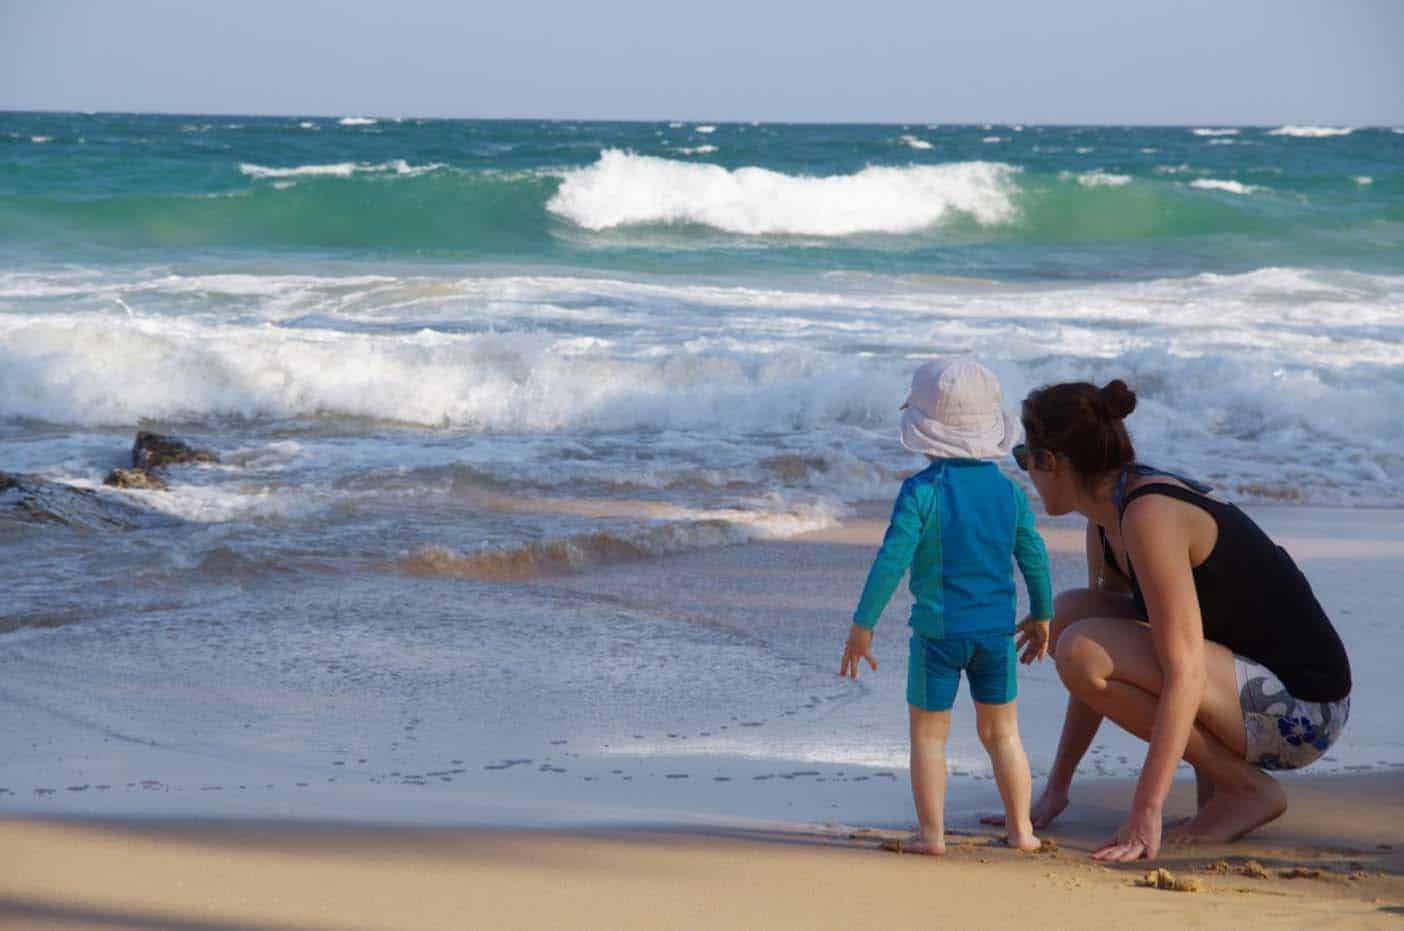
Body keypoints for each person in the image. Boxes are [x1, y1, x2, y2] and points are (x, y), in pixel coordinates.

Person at [998, 379, 1351, 862]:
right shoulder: (1106, 517)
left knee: (1079, 647)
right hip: (1240, 682)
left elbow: (1178, 665)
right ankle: (1229, 784)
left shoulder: (1149, 514)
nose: (1027, 474)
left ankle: (1246, 790)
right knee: (1069, 620)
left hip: (1306, 711)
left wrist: (1147, 810)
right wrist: (1057, 789)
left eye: (1024, 458)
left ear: (1050, 462)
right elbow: (1098, 661)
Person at [840, 357, 1054, 856]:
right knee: (1003, 733)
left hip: (937, 637)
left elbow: (890, 563)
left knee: (929, 737)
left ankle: (932, 836)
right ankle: (1022, 830)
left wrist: (862, 627)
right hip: (996, 635)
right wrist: (1042, 614)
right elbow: (1034, 556)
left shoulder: (920, 492)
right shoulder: (1009, 492)